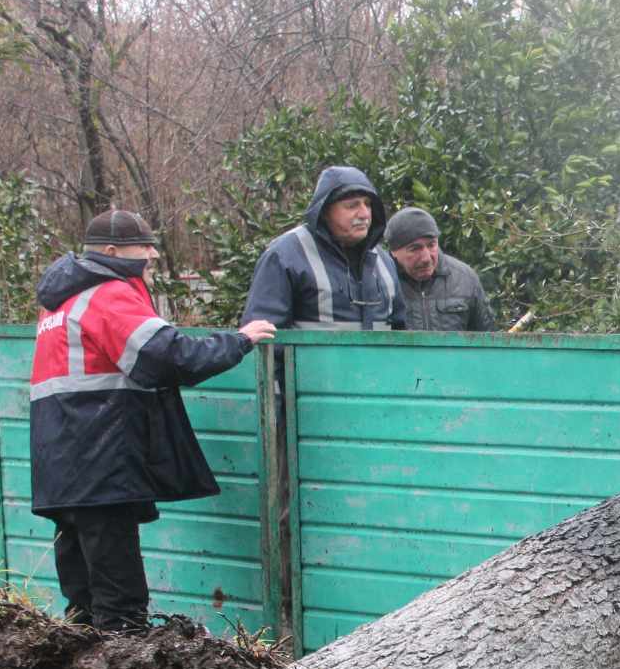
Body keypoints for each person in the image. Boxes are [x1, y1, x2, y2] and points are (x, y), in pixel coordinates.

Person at [30, 210, 276, 630]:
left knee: (83, 604)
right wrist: (239, 341)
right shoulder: (106, 294)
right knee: (120, 608)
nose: (152, 254)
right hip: (99, 467)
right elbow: (169, 356)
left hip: (61, 468)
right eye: (143, 246)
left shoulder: (61, 300)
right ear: (111, 252)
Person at [241, 166, 404, 330]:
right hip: (306, 357)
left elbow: (401, 334)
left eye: (368, 204)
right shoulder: (284, 255)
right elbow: (261, 337)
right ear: (324, 210)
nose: (364, 214)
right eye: (352, 206)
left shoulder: (384, 261)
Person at [383, 207, 496, 332]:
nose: (426, 258)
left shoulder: (465, 278)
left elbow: (487, 340)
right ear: (394, 251)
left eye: (431, 245)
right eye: (415, 248)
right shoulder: (379, 280)